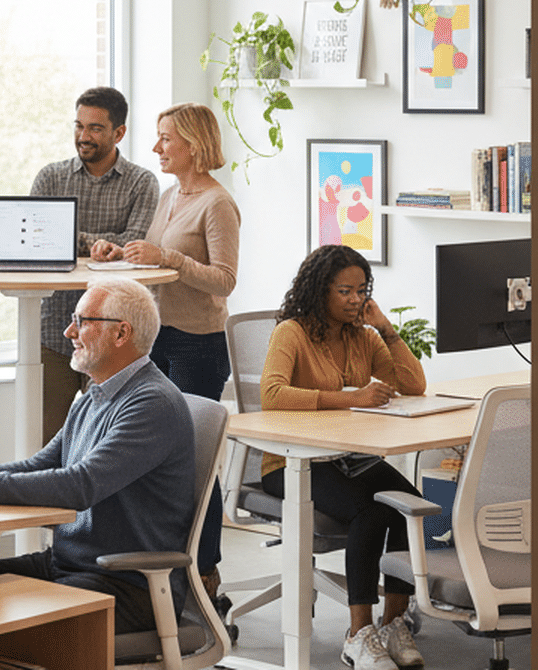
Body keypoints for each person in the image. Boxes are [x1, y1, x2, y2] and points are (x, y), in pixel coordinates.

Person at [0, 278, 196, 635]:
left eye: (83, 321)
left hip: (127, 585)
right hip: (67, 565)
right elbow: (37, 467)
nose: (69, 332)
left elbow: (79, 486)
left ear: (121, 333)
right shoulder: (97, 394)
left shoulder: (151, 404)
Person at [91, 102, 239, 595]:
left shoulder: (216, 203)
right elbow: (155, 261)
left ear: (193, 145)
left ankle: (208, 572)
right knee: (160, 461)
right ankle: (166, 569)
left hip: (198, 345)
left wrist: (167, 256)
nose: (156, 147)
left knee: (196, 463)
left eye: (165, 138)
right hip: (161, 341)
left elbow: (224, 279)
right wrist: (123, 254)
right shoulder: (172, 194)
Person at [259, 244, 428, 670]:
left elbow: (414, 384)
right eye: (345, 291)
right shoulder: (291, 332)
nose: (356, 300)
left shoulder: (362, 337)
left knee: (411, 507)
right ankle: (358, 633)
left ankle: (392, 624)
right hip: (292, 463)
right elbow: (272, 394)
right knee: (371, 512)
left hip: (348, 458)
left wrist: (386, 328)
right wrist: (350, 399)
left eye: (361, 290)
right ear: (321, 291)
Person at [31, 86, 160, 445]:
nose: (83, 137)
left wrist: (74, 238)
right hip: (54, 329)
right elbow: (35, 238)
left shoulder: (142, 182)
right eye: (78, 126)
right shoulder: (50, 178)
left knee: (106, 440)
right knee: (46, 440)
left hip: (113, 336)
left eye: (95, 129)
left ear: (118, 133)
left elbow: (131, 246)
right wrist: (97, 244)